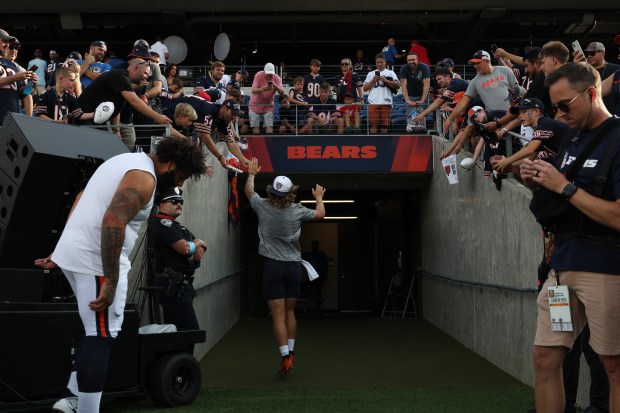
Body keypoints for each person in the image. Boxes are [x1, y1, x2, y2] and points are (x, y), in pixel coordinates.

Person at [34, 137, 207, 413]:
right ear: (170, 164)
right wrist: (111, 279)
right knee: (102, 335)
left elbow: (81, 198)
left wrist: (60, 250)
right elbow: (113, 220)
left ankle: (72, 399)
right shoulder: (145, 178)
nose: (180, 185)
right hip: (96, 261)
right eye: (181, 177)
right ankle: (86, 408)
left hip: (77, 256)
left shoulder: (124, 160)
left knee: (95, 333)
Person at [520, 62, 620, 413]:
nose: (559, 115)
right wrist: (534, 180)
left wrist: (563, 186)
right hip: (561, 269)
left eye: (565, 106)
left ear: (591, 94)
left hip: (605, 268)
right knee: (545, 358)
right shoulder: (572, 138)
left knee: (613, 365)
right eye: (554, 108)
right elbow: (560, 201)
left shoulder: (617, 137)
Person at [245, 158, 326, 375]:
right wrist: (318, 198)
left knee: (277, 315)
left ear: (272, 192)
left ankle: (284, 356)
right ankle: (291, 351)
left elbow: (249, 191)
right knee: (290, 311)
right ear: (291, 192)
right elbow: (320, 214)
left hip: (272, 267)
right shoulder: (298, 210)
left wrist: (252, 173)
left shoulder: (262, 206)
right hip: (292, 267)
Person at [149, 186, 206, 330]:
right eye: (174, 201)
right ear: (162, 205)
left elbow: (194, 244)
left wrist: (201, 247)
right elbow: (186, 248)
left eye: (180, 201)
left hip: (181, 285)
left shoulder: (178, 227)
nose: (179, 204)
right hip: (172, 285)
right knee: (188, 330)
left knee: (180, 331)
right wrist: (198, 242)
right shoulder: (164, 224)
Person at [77, 58, 172, 136]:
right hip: (83, 119)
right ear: (136, 68)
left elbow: (115, 109)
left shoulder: (124, 83)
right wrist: (157, 116)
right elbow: (134, 101)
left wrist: (116, 131)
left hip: (96, 122)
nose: (146, 77)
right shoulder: (120, 76)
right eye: (145, 73)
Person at [362, 53, 400, 134]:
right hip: (373, 102)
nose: (379, 64)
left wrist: (386, 80)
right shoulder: (370, 73)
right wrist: (373, 80)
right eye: (377, 62)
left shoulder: (390, 73)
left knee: (384, 126)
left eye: (381, 62)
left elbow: (398, 85)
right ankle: (373, 143)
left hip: (386, 102)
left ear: (385, 62)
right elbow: (364, 88)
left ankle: (383, 145)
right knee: (373, 125)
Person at [249, 62, 285, 134]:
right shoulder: (258, 75)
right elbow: (253, 90)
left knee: (269, 126)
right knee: (255, 126)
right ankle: (257, 143)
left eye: (271, 74)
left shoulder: (277, 78)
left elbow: (282, 93)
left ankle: (269, 143)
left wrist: (277, 87)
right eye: (267, 73)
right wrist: (263, 89)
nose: (269, 75)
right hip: (255, 104)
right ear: (264, 71)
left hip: (268, 105)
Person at [302, 240, 328, 310]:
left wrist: (325, 275)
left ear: (317, 245)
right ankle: (318, 301)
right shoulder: (309, 254)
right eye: (313, 245)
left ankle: (318, 303)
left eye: (315, 245)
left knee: (318, 290)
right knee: (310, 289)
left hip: (319, 275)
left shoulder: (321, 255)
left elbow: (325, 266)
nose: (313, 246)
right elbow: (302, 257)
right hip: (311, 275)